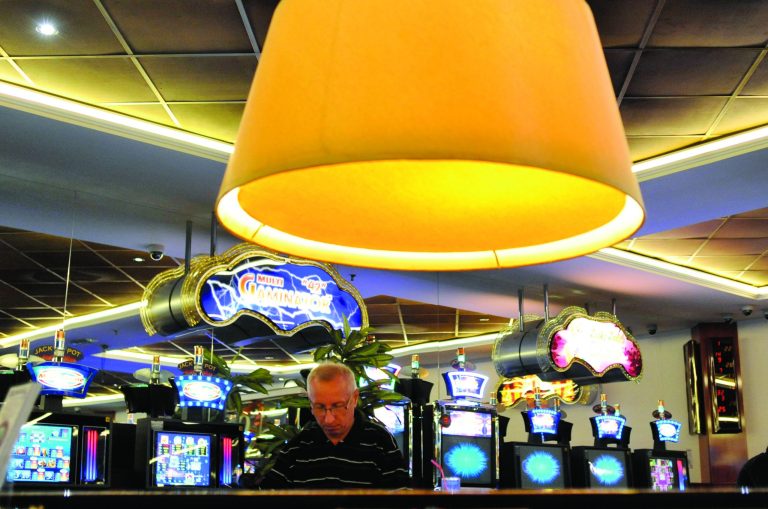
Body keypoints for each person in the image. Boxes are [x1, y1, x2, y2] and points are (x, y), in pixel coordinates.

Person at [260, 362, 409, 489]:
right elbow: (267, 497)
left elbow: (400, 500)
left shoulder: (380, 442)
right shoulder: (298, 447)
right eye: (319, 407)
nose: (329, 419)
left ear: (355, 398)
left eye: (338, 406)